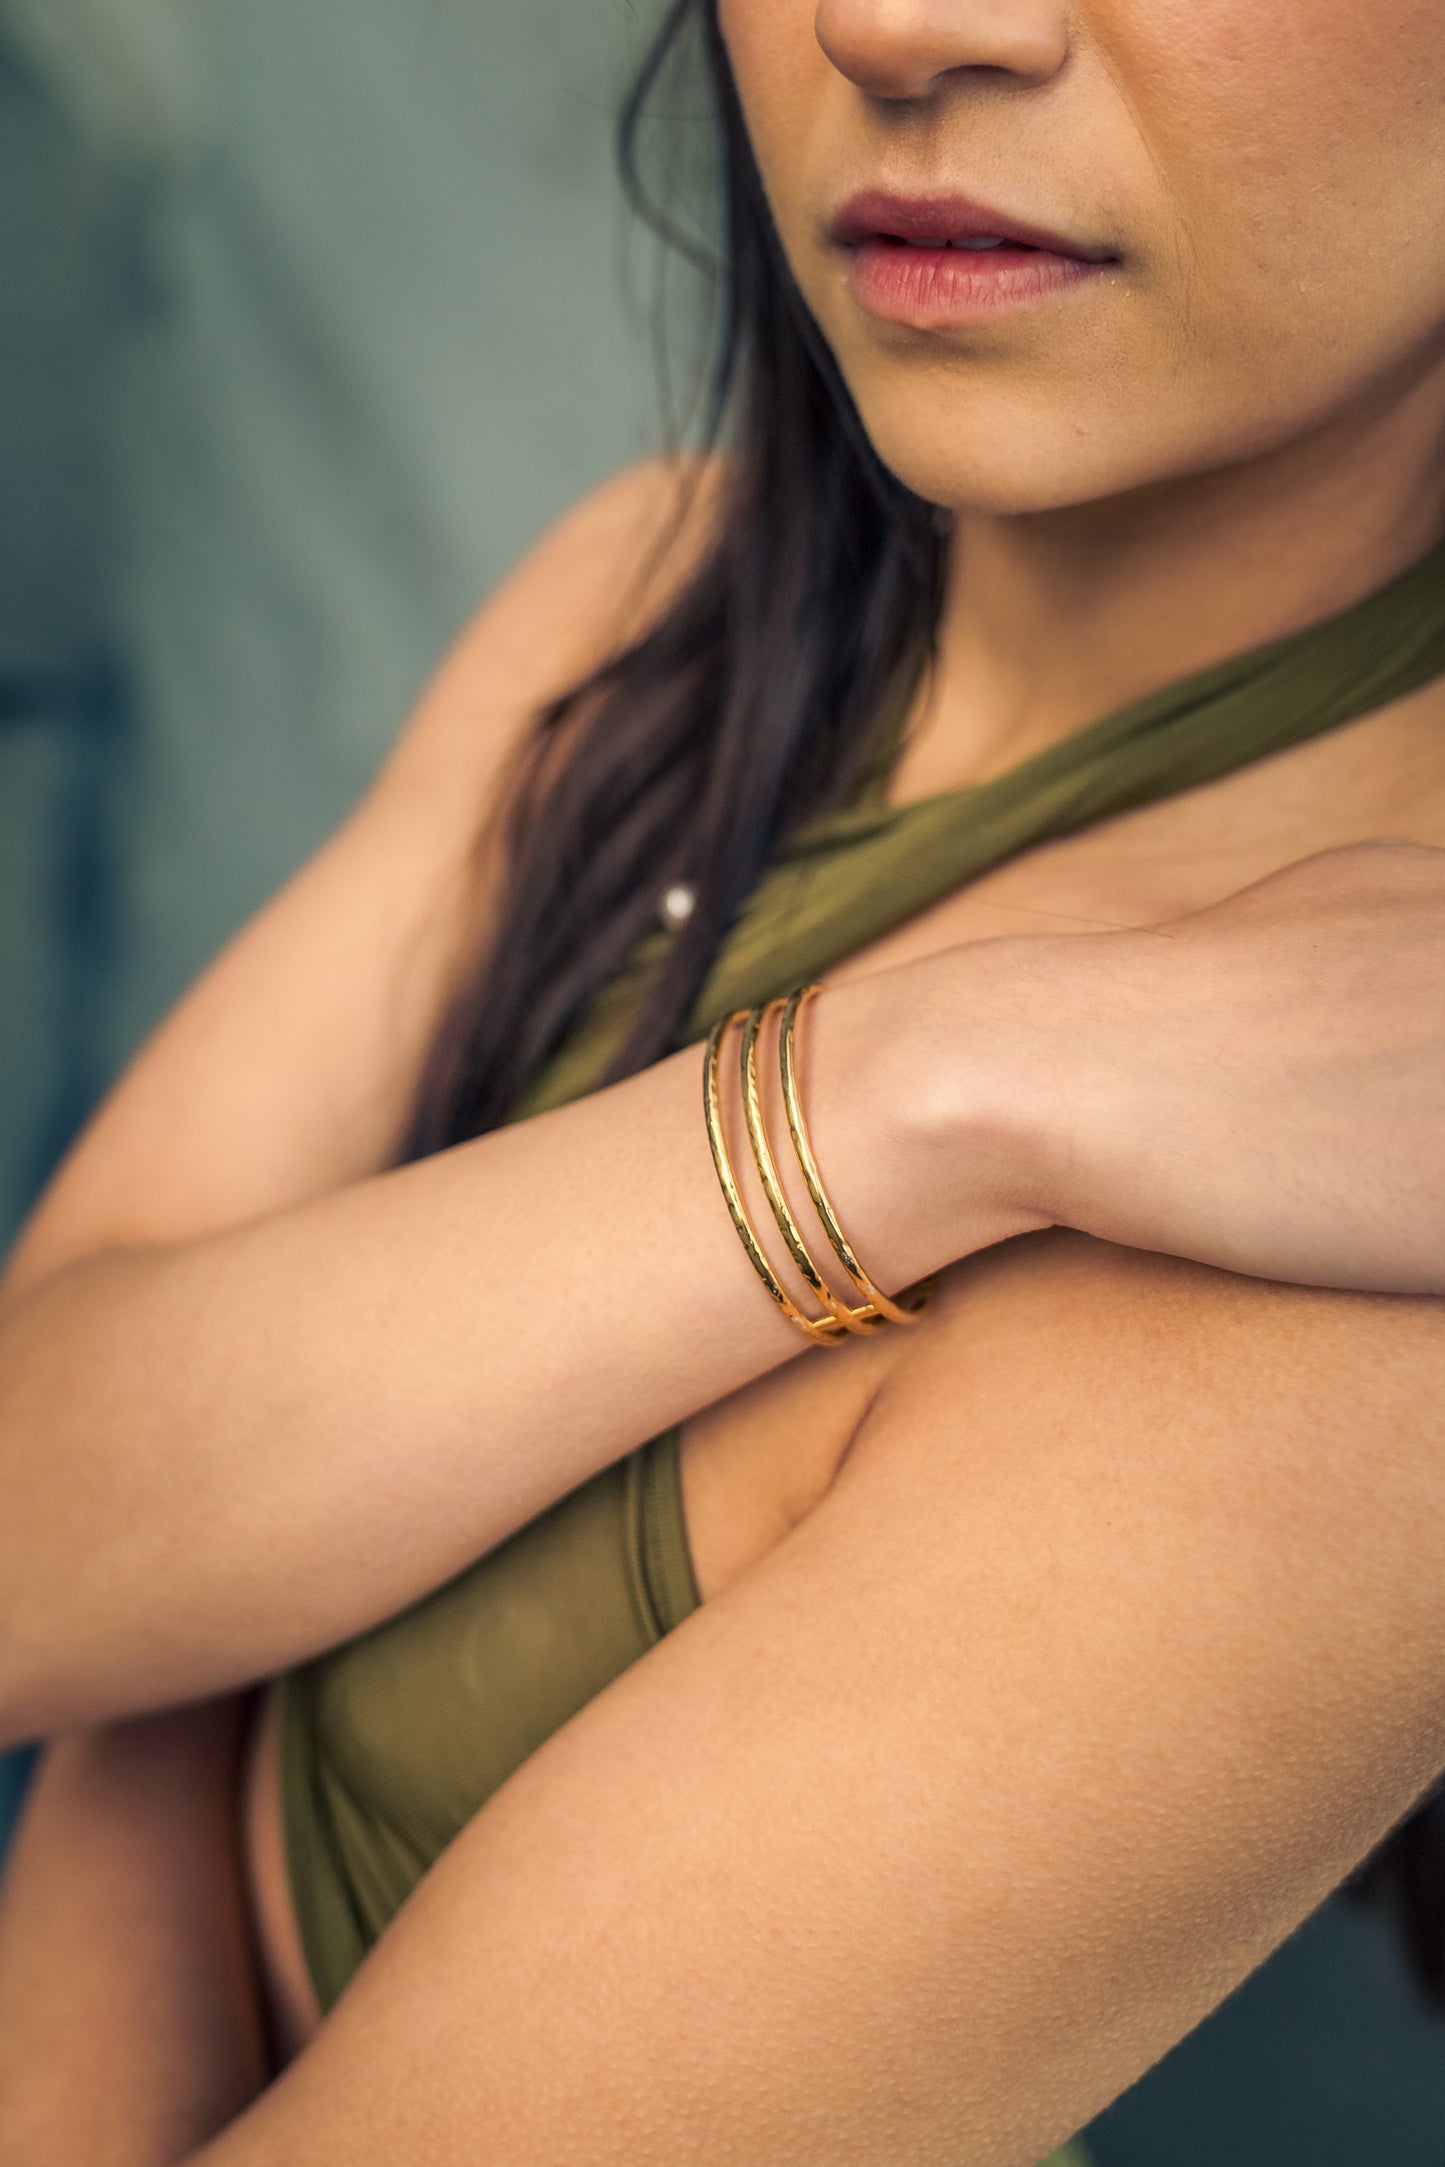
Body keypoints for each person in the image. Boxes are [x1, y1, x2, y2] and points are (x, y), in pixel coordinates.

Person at [2, 0, 1445, 2159]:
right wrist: (933, 1082)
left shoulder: (1343, 1277)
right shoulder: (662, 590)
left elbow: (120, 1577)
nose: (895, 21)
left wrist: (231, 1534)